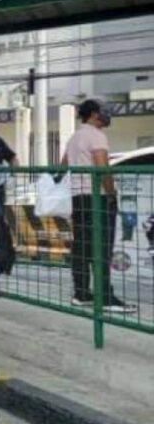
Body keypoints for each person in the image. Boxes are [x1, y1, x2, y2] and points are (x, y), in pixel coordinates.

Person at [61, 99, 136, 313]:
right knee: (102, 246)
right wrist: (111, 194)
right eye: (103, 112)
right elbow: (102, 167)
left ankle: (81, 293)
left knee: (82, 246)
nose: (106, 115)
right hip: (96, 197)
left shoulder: (75, 137)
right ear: (93, 114)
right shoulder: (96, 136)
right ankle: (105, 297)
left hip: (78, 197)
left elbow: (63, 164)